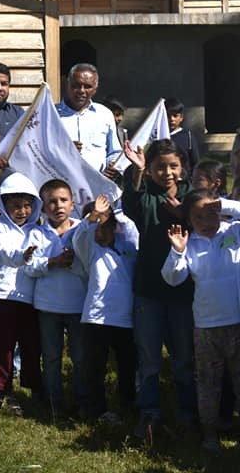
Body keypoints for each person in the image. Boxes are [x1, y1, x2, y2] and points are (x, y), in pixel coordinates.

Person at [121, 138, 195, 440]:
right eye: (159, 167)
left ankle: (189, 415)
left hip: (184, 293)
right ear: (150, 169)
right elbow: (130, 205)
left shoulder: (191, 196)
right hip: (149, 291)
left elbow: (208, 221)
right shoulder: (146, 194)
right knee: (149, 358)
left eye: (173, 166)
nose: (167, 173)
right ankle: (149, 414)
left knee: (184, 359)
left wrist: (184, 216)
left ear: (182, 168)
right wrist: (136, 173)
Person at [163, 191, 240, 453]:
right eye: (198, 216)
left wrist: (227, 205)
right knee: (208, 383)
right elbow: (172, 278)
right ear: (189, 219)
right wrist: (177, 251)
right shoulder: (190, 244)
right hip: (206, 328)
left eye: (211, 213)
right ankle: (209, 435)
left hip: (237, 323)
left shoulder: (234, 232)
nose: (206, 221)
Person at [73, 194, 138, 426]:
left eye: (106, 224)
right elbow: (80, 236)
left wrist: (115, 212)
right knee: (95, 366)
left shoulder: (128, 247)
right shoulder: (90, 252)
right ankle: (95, 409)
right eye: (96, 225)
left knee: (128, 366)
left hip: (127, 318)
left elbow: (131, 229)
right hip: (96, 317)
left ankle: (128, 405)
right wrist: (93, 216)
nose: (101, 229)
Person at [0, 173, 43, 413]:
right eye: (16, 206)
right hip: (5, 296)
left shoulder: (37, 231)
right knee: (4, 346)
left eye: (28, 205)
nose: (22, 211)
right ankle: (1, 388)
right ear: (4, 205)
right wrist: (22, 256)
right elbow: (1, 252)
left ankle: (34, 387)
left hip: (31, 297)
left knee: (32, 345)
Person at [26, 179, 86, 414]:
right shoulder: (36, 234)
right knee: (51, 357)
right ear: (43, 208)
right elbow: (28, 266)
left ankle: (83, 401)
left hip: (78, 303)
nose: (58, 206)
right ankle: (54, 402)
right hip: (48, 305)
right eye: (51, 202)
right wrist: (52, 262)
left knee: (81, 357)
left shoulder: (82, 230)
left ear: (73, 203)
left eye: (63, 200)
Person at [56, 63, 121, 178]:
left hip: (98, 186)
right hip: (62, 185)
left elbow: (114, 152)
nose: (81, 91)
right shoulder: (52, 114)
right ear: (68, 85)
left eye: (87, 86)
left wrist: (112, 166)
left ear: (95, 89)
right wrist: (63, 149)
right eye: (76, 85)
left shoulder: (104, 114)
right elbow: (40, 151)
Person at [165, 98, 201, 180]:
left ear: (181, 117)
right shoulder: (159, 136)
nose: (171, 119)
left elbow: (195, 162)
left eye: (175, 116)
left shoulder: (188, 136)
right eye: (168, 116)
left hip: (184, 181)